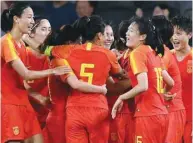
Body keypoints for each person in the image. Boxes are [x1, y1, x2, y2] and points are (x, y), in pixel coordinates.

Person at [41, 15, 125, 143]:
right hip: (98, 109)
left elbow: (45, 49)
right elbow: (121, 74)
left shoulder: (69, 51)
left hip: (74, 109)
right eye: (104, 35)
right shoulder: (108, 54)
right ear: (99, 35)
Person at [1, 2, 71, 143]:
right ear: (16, 19)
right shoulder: (6, 42)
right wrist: (53, 71)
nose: (32, 21)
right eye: (29, 17)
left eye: (33, 18)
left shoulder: (21, 41)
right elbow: (26, 74)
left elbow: (43, 50)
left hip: (24, 102)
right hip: (9, 104)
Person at [112, 17, 174, 143]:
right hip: (162, 114)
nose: (127, 34)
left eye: (131, 31)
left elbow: (143, 85)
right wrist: (161, 94)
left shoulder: (137, 53)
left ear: (142, 36)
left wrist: (121, 97)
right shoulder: (153, 52)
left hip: (146, 116)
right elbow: (170, 82)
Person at [152, 15, 186, 143]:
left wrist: (162, 92)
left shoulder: (164, 54)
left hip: (173, 110)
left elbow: (161, 77)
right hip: (162, 110)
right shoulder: (157, 52)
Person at [107, 20, 135, 143]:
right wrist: (138, 79)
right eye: (106, 34)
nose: (109, 38)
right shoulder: (111, 55)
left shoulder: (134, 54)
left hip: (130, 109)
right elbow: (112, 87)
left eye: (111, 35)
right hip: (112, 107)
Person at [22, 18, 52, 130]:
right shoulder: (23, 53)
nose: (48, 32)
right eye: (43, 29)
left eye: (49, 29)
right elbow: (16, 81)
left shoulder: (52, 56)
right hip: (25, 110)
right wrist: (38, 97)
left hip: (46, 113)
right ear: (32, 33)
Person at [171, 16, 192, 143]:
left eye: (178, 33)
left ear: (190, 34)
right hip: (172, 118)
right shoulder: (166, 57)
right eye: (172, 33)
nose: (174, 37)